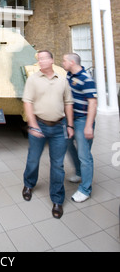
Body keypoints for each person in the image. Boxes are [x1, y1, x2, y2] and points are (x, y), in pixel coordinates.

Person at [22, 50, 74, 219]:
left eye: (45, 58)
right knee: (33, 159)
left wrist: (70, 125)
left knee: (58, 165)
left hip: (59, 128)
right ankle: (28, 184)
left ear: (52, 60)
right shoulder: (33, 79)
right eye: (39, 59)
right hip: (40, 125)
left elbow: (68, 103)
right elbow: (27, 102)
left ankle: (57, 200)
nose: (41, 61)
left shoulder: (62, 80)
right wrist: (33, 124)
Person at [62, 53, 97, 203]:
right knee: (69, 145)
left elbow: (93, 103)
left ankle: (85, 190)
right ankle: (78, 172)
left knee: (84, 155)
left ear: (71, 62)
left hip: (82, 120)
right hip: (70, 120)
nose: (62, 63)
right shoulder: (69, 75)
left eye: (64, 61)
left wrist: (88, 126)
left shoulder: (86, 79)